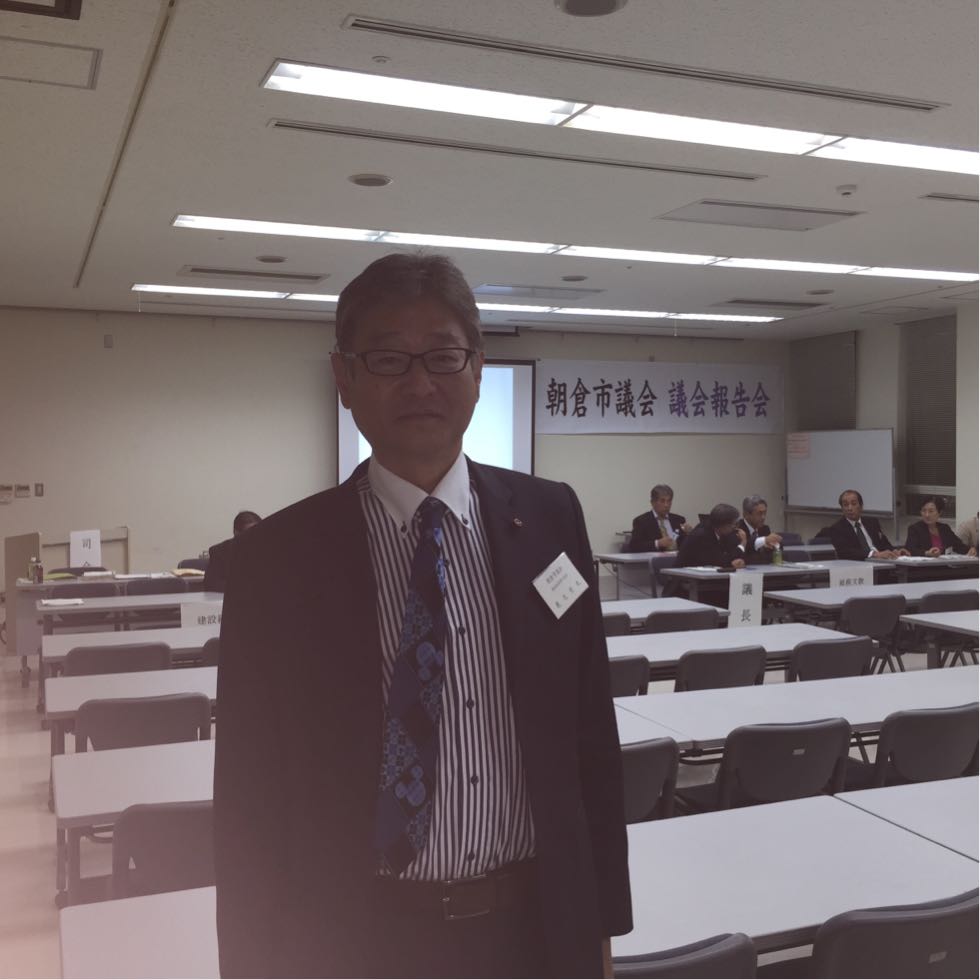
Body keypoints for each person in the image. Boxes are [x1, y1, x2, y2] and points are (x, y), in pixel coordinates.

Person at [213, 253, 631, 979]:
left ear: (477, 369)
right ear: (344, 377)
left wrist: (602, 922)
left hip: (536, 928)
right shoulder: (274, 562)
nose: (419, 383)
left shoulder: (551, 517)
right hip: (357, 941)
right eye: (387, 359)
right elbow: (249, 795)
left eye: (443, 356)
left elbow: (590, 735)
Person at [828, 489, 909, 561]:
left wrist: (894, 551)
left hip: (882, 563)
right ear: (842, 508)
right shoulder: (837, 528)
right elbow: (845, 552)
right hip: (860, 565)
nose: (849, 508)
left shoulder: (872, 522)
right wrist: (873, 554)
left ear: (861, 506)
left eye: (854, 504)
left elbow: (884, 543)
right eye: (845, 505)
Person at [202, 510, 261, 593]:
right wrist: (245, 587)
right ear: (236, 533)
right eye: (250, 533)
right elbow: (211, 584)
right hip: (231, 598)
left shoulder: (268, 550)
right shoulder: (219, 551)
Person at [677, 503, 747, 569]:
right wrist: (742, 545)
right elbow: (719, 562)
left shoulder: (721, 533)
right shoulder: (703, 535)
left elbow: (729, 556)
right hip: (683, 575)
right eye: (734, 524)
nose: (735, 527)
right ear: (724, 524)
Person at [626, 483, 692, 552]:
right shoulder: (641, 521)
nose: (666, 505)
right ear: (653, 502)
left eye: (669, 501)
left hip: (677, 558)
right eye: (662, 501)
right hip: (656, 558)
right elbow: (634, 546)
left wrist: (690, 534)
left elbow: (687, 546)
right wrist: (657, 543)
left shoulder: (679, 520)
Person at [904, 496, 977, 556]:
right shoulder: (914, 529)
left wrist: (970, 550)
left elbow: (958, 545)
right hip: (923, 567)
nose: (927, 515)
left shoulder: (944, 528)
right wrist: (927, 553)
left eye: (931, 511)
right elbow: (910, 549)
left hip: (943, 566)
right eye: (924, 511)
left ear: (939, 512)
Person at [737, 495, 782, 565]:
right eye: (759, 513)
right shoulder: (738, 529)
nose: (763, 517)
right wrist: (764, 541)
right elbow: (744, 552)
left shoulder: (765, 529)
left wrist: (774, 545)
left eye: (765, 513)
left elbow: (775, 552)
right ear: (746, 514)